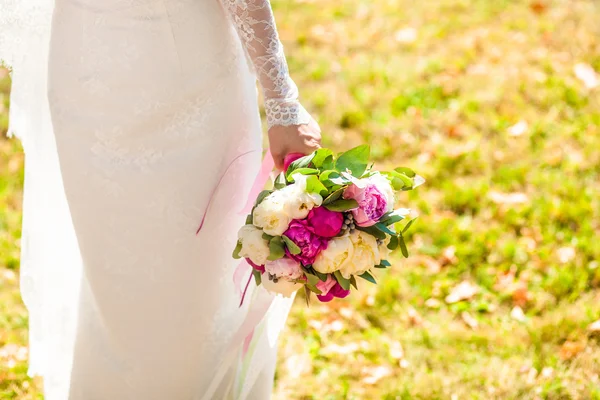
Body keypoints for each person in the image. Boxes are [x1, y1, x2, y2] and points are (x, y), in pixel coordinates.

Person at [0, 0, 321, 398]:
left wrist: (281, 102)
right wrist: (282, 103)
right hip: (103, 79)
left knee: (191, 282)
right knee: (122, 282)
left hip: (159, 77)